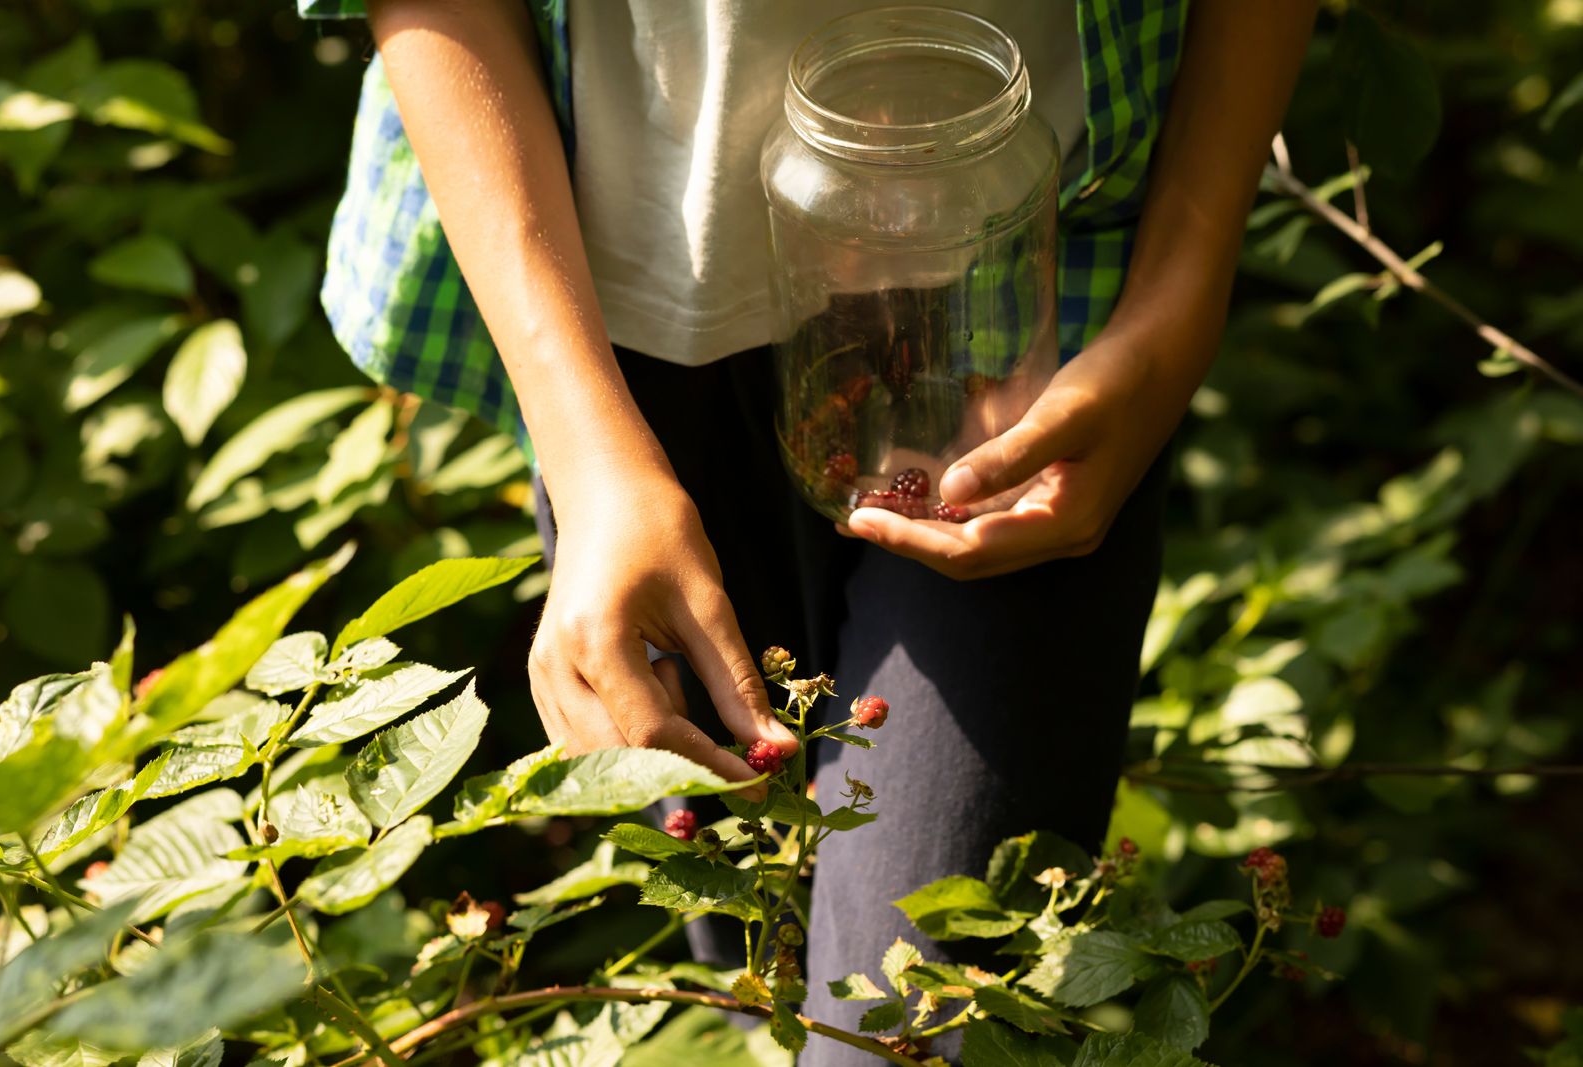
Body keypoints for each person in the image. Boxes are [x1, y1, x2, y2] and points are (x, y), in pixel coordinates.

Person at [301, 0, 1317, 1059]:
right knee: (758, 959)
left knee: (912, 1027)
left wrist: (1182, 287)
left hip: (1026, 330)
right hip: (619, 355)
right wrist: (585, 455)